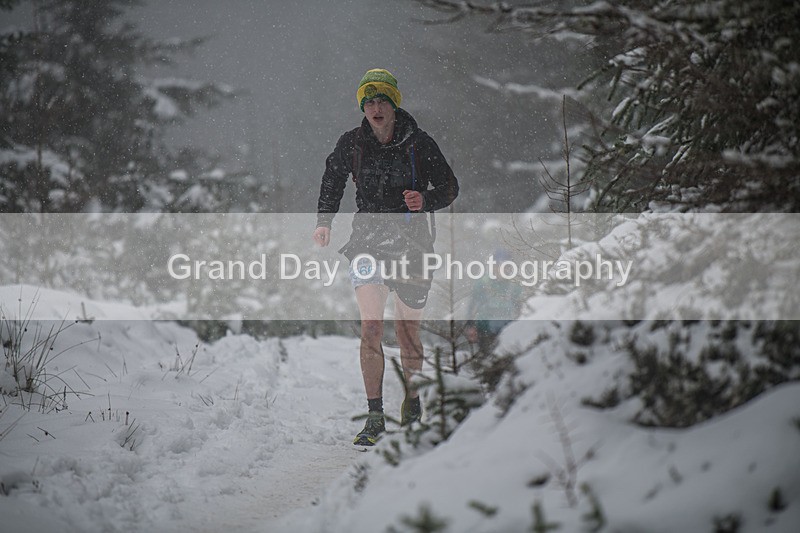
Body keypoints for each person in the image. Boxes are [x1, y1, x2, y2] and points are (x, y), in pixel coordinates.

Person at [313, 68, 459, 446]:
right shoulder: (353, 143)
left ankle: (412, 405)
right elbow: (332, 178)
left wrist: (425, 200)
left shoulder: (419, 143)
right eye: (369, 102)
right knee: (372, 327)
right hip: (368, 241)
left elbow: (449, 187)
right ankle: (374, 415)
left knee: (408, 332)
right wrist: (324, 221)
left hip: (413, 243)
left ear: (395, 104)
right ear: (363, 107)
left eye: (382, 101)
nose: (375, 108)